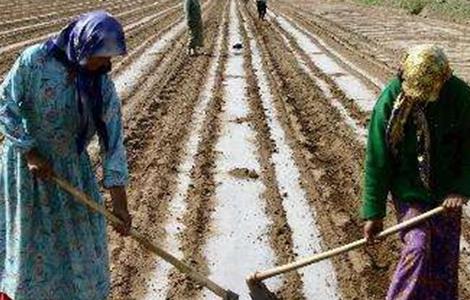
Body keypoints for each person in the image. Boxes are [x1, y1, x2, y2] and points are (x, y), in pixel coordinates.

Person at [0, 11, 131, 299]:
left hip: (71, 171)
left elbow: (113, 143)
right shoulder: (35, 61)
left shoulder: (100, 84)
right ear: (84, 46)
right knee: (32, 247)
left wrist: (120, 204)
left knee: (81, 250)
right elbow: (5, 104)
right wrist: (30, 152)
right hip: (28, 171)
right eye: (103, 55)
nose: (108, 64)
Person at [361, 44, 470, 299]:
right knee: (418, 247)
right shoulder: (391, 99)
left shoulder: (461, 97)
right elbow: (378, 159)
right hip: (408, 190)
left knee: (443, 258)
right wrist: (373, 213)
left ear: (444, 79)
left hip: (446, 194)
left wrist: (461, 189)